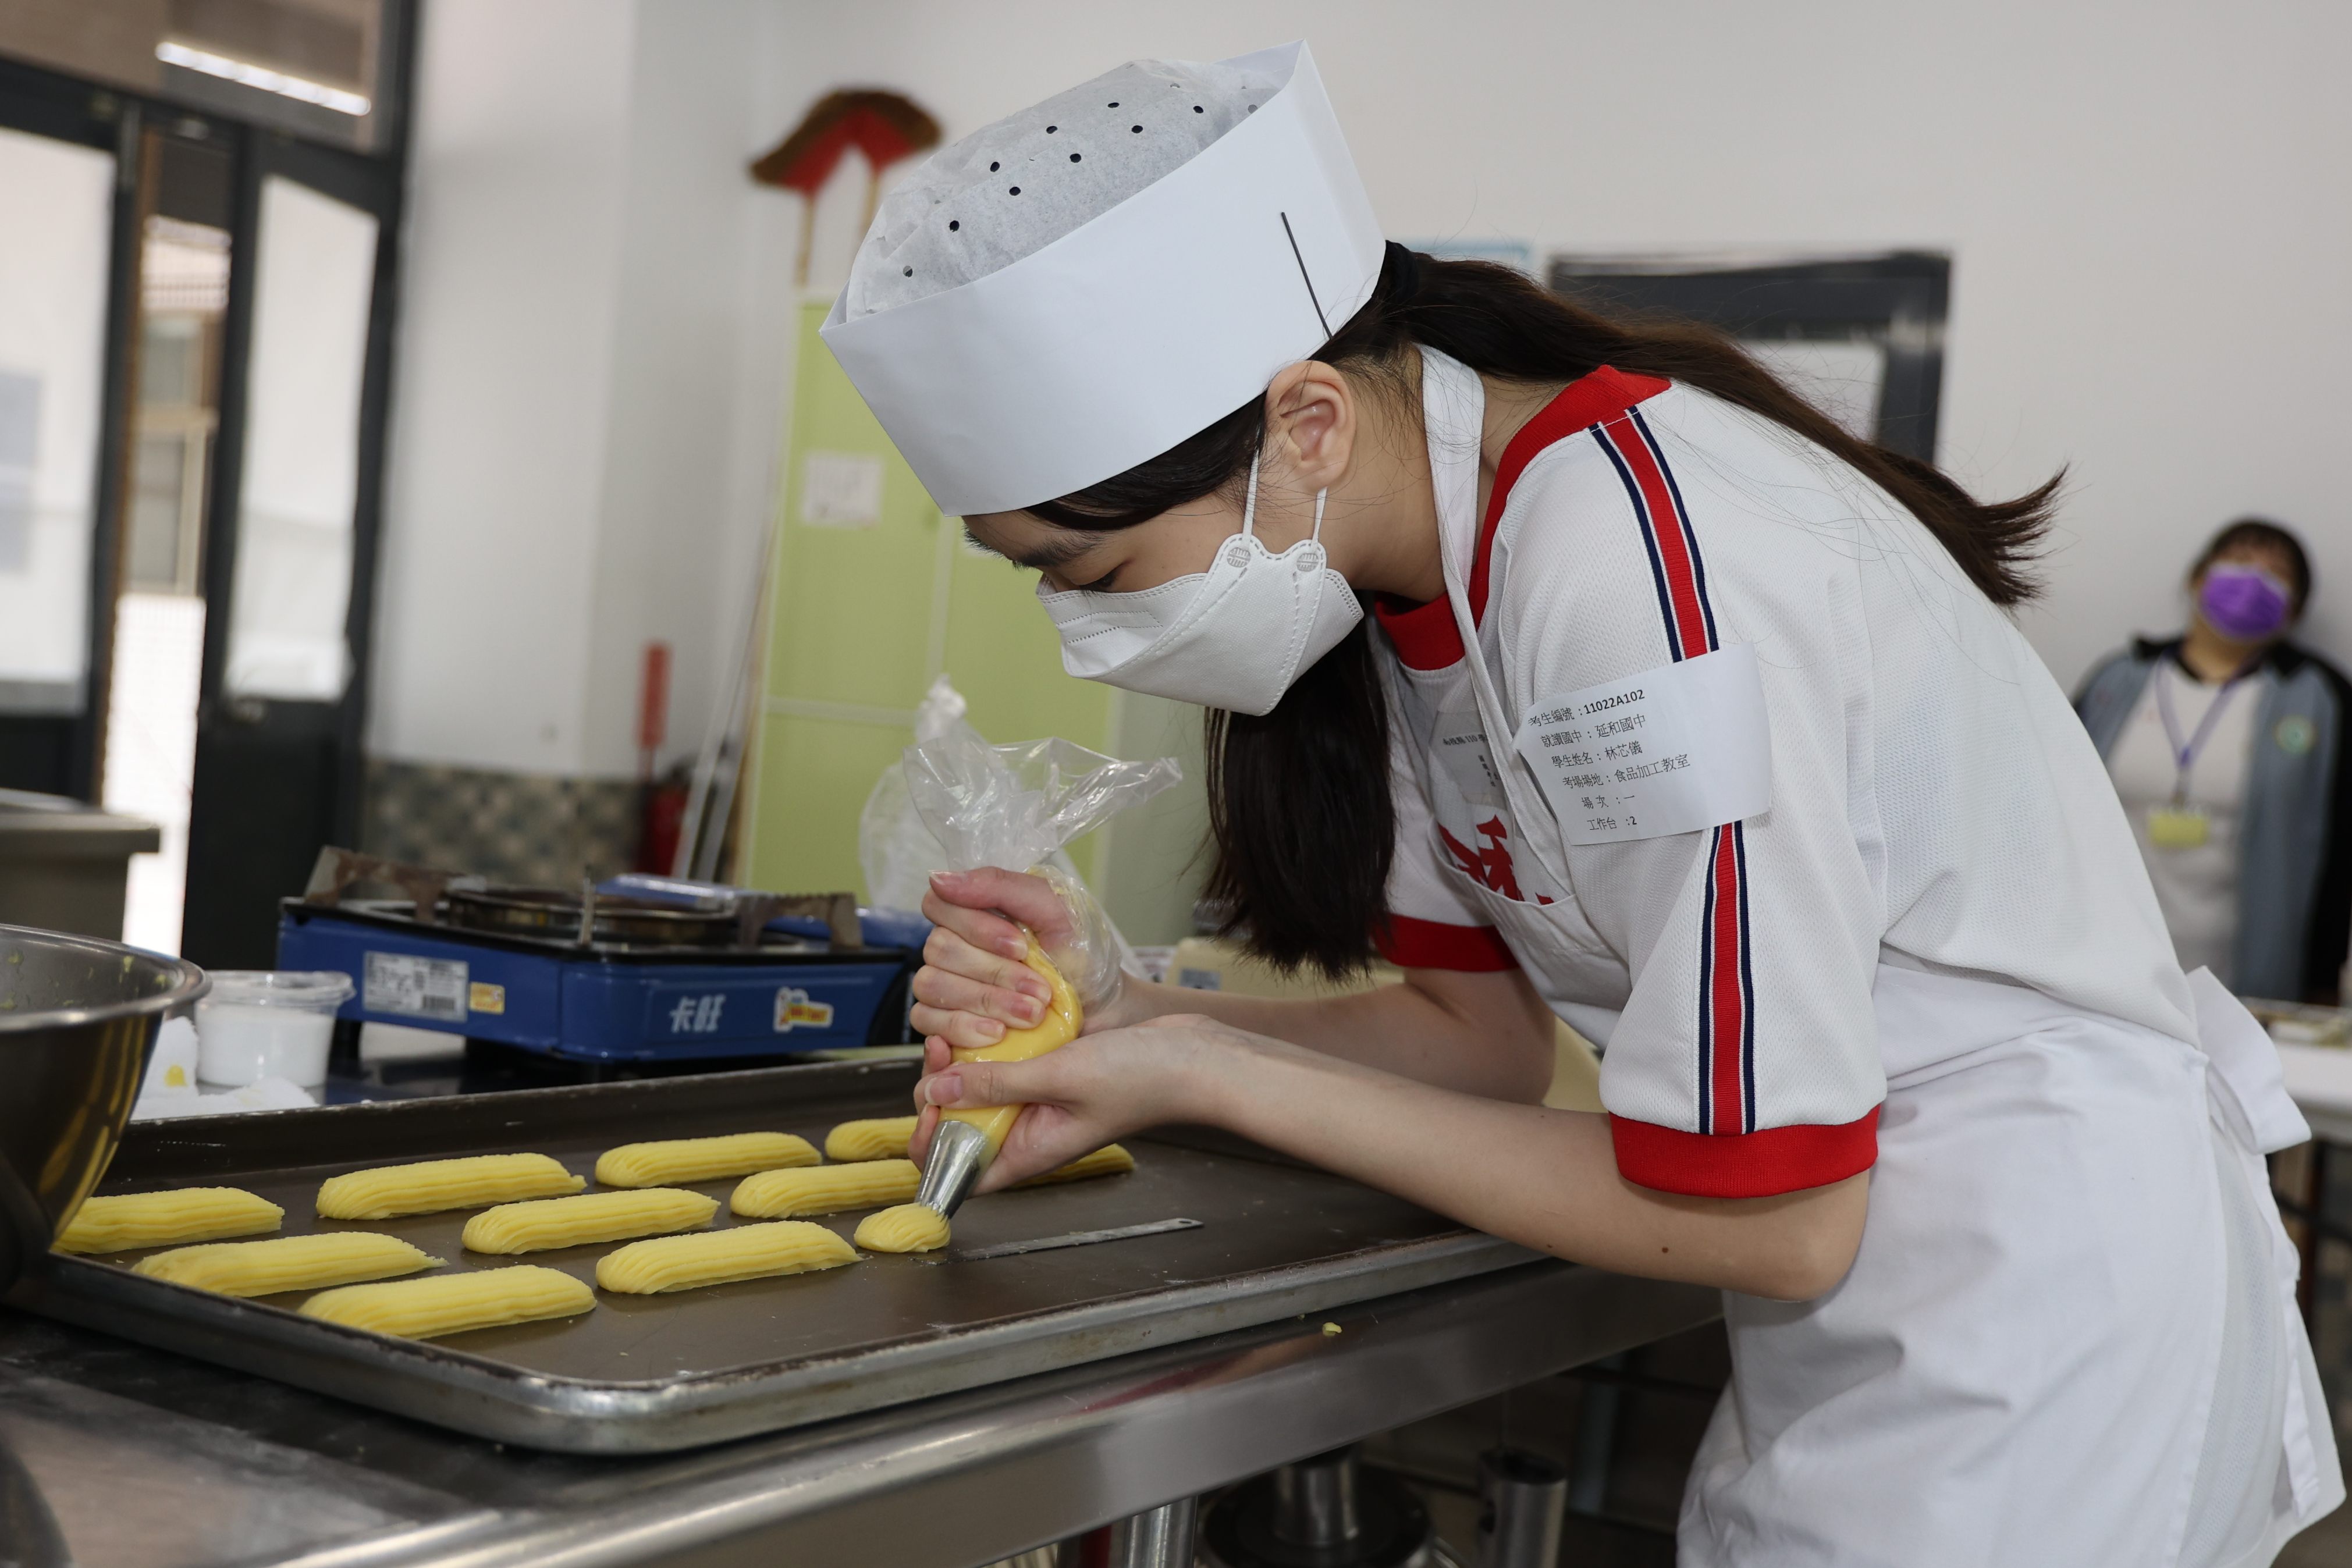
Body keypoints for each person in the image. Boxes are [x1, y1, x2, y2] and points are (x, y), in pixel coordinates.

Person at [822, 44, 2338, 1566]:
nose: (1083, 629)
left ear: (1308, 426)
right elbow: (1474, 1043)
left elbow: (1773, 1214)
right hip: (1866, 1301)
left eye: (1089, 571)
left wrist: (1206, 1070)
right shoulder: (1404, 591)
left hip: (2040, 1315)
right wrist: (1127, 1018)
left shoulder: (1635, 578)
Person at [2076, 520, 2352, 1001]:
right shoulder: (2117, 679)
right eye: (2240, 561)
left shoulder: (2319, 697)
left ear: (2294, 609)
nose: (2254, 580)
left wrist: (2321, 981)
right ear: (2198, 577)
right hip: (2108, 964)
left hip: (2248, 977)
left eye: (2276, 573)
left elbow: (2339, 849)